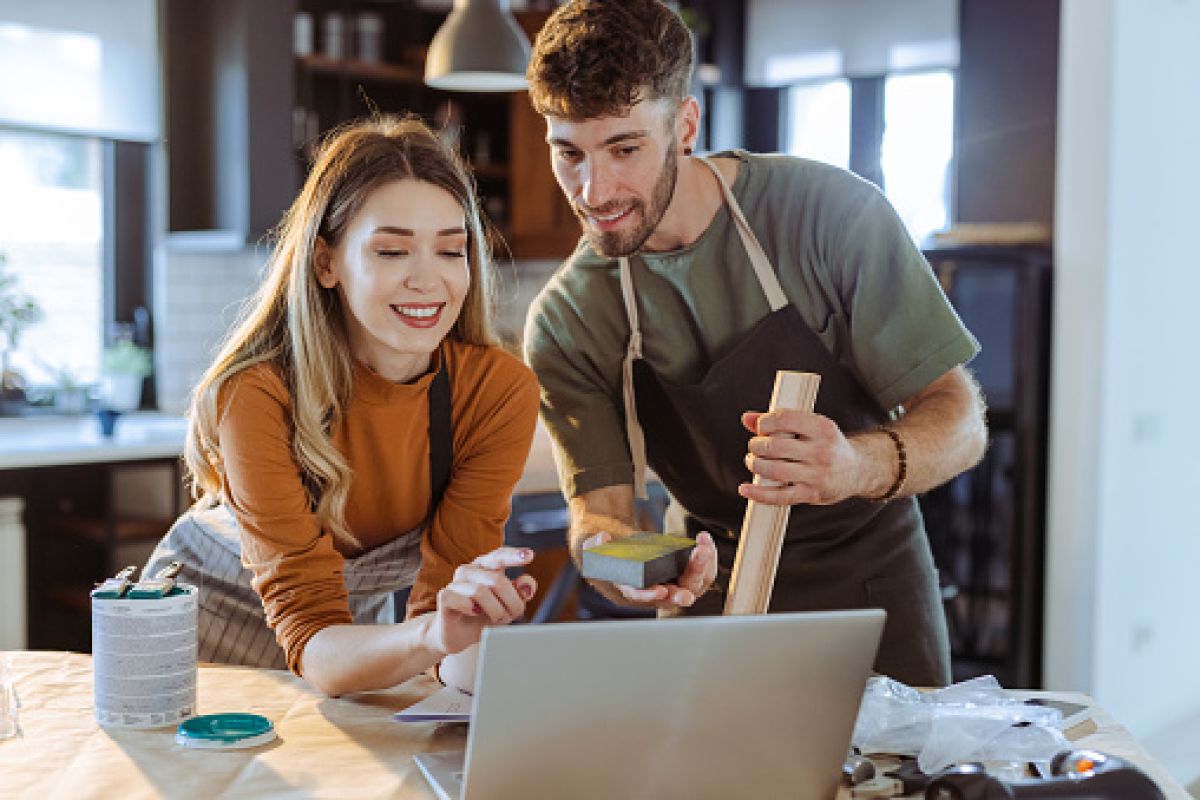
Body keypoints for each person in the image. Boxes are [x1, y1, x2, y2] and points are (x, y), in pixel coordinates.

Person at [522, 0, 987, 686]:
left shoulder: (831, 217)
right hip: (707, 598)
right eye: (570, 155)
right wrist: (633, 566)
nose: (595, 191)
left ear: (684, 125)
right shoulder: (569, 317)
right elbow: (601, 519)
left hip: (871, 594)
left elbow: (961, 419)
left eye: (624, 148)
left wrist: (852, 466)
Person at [144, 116, 540, 696]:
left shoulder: (496, 393)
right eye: (392, 251)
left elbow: (438, 632)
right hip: (202, 630)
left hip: (352, 640)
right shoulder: (257, 396)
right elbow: (313, 632)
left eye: (451, 250)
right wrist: (433, 637)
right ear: (326, 263)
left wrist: (467, 632)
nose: (428, 280)